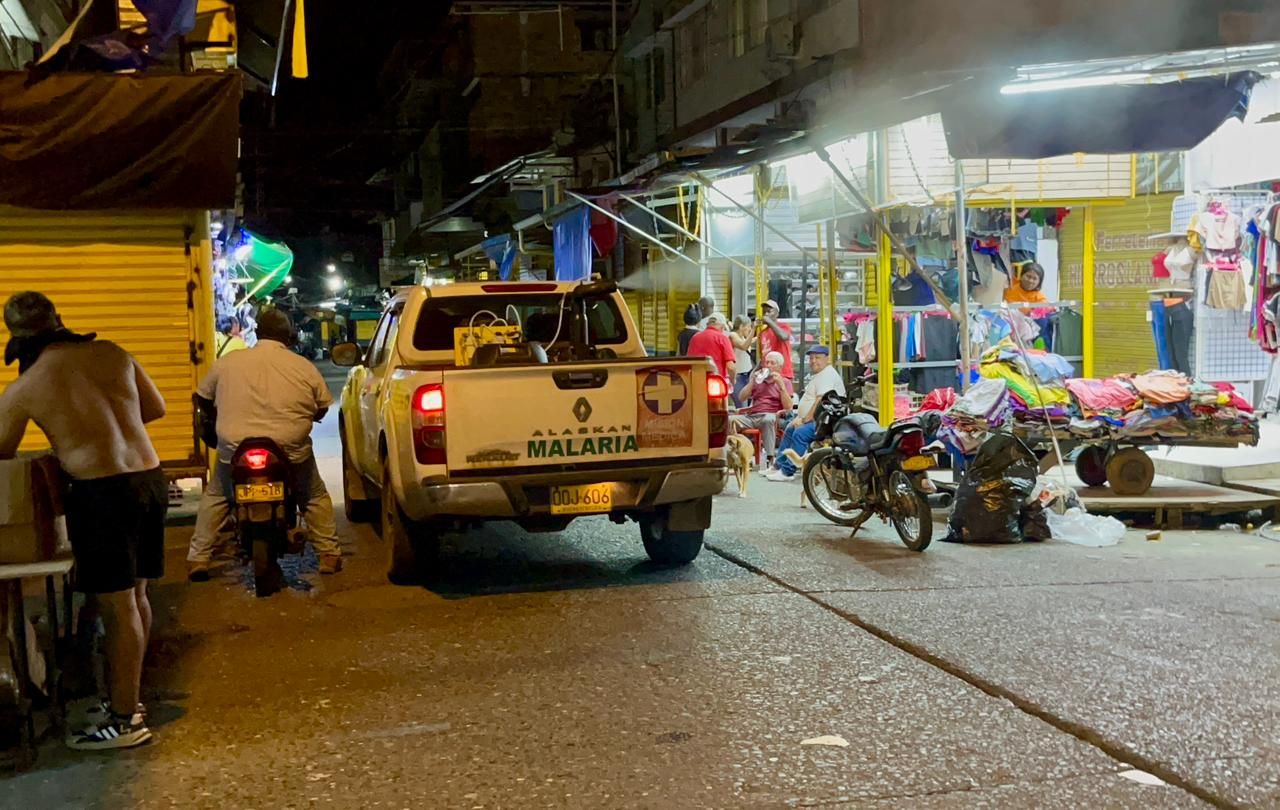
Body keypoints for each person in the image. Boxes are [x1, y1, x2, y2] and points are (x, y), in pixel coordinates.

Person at [0, 292, 166, 750]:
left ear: (17, 339)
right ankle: (127, 699)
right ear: (59, 320)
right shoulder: (113, 352)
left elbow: (1, 448)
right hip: (148, 478)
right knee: (136, 595)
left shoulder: (27, 385)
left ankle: (124, 721)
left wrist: (70, 436)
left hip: (100, 492)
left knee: (117, 608)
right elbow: (155, 409)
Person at [187, 308, 344, 580]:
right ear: (289, 337)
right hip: (289, 449)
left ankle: (198, 558)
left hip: (235, 447)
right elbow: (322, 406)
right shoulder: (302, 365)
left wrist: (215, 419)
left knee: (217, 496)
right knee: (313, 495)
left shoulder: (228, 362)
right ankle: (328, 553)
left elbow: (201, 398)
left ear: (257, 333)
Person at [766, 345, 846, 482]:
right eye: (811, 358)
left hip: (825, 422)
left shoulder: (827, 375)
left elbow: (820, 401)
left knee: (800, 433)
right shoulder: (820, 374)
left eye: (818, 358)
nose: (813, 361)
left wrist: (804, 420)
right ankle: (779, 465)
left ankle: (787, 471)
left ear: (827, 359)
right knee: (790, 428)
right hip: (815, 419)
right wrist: (799, 417)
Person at [731, 351, 794, 469]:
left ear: (779, 367)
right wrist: (752, 382)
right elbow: (741, 397)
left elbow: (788, 407)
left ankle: (770, 459)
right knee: (730, 420)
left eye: (772, 363)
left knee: (768, 420)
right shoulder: (758, 380)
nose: (768, 365)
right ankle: (734, 455)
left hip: (772, 415)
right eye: (767, 362)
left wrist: (781, 386)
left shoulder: (785, 382)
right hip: (753, 415)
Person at [686, 313, 737, 378]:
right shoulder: (722, 338)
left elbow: (689, 362)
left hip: (696, 380)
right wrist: (733, 381)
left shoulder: (694, 338)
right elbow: (730, 367)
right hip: (717, 382)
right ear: (722, 326)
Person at [757, 299, 795, 381]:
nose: (766, 314)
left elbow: (784, 336)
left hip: (783, 373)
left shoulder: (783, 326)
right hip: (767, 375)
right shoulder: (762, 333)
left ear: (777, 313)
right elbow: (763, 356)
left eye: (769, 311)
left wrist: (769, 322)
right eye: (764, 312)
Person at [728, 315, 754, 405]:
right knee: (741, 405)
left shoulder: (743, 337)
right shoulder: (733, 335)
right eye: (749, 326)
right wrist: (754, 330)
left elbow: (748, 343)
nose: (750, 329)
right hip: (737, 377)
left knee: (747, 406)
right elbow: (743, 346)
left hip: (747, 375)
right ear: (741, 326)